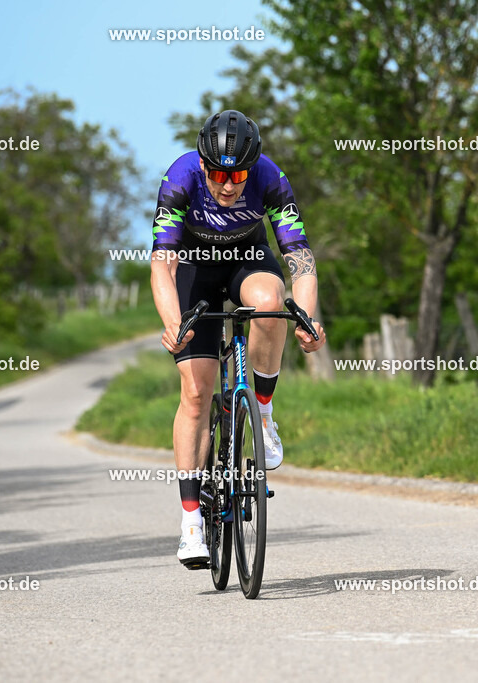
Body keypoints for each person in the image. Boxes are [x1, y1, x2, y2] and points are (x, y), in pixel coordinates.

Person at [149, 110, 326, 568]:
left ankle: (263, 414)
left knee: (271, 302)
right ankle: (191, 522)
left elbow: (300, 259)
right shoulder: (180, 176)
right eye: (220, 174)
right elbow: (162, 264)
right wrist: (173, 322)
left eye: (239, 175)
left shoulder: (271, 177)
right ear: (204, 166)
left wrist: (306, 317)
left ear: (253, 167)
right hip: (194, 271)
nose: (229, 185)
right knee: (195, 392)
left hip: (248, 260)